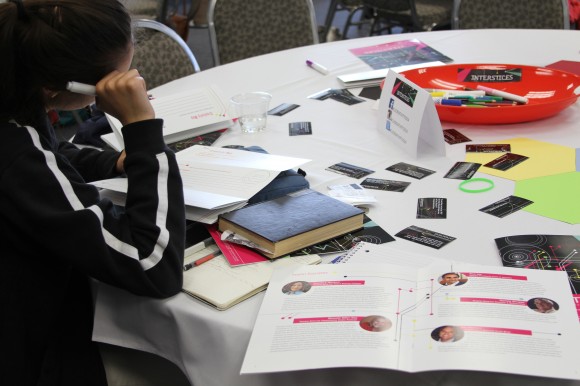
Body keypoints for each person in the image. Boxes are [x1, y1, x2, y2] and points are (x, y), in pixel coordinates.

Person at [0, 1, 186, 385]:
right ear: (61, 88)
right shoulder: (19, 159)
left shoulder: (13, 103)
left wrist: (114, 162)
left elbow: (49, 153)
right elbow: (151, 265)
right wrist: (142, 133)